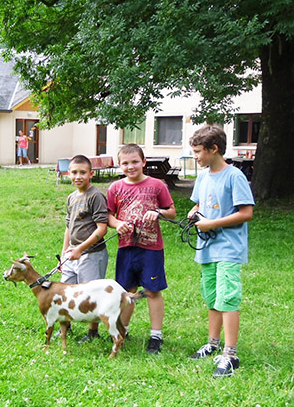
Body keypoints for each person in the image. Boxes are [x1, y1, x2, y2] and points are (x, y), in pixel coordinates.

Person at [187, 125, 254, 378]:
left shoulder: (234, 176)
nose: (196, 156)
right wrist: (194, 212)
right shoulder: (203, 176)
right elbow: (199, 202)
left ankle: (230, 354)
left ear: (214, 149)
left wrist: (212, 223)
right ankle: (212, 344)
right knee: (212, 297)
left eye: (198, 152)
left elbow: (246, 213)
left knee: (228, 299)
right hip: (207, 248)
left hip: (228, 248)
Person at [107, 144, 176, 354]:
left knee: (153, 291)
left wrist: (158, 213)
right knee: (127, 292)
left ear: (143, 162)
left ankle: (156, 336)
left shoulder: (157, 185)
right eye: (125, 163)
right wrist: (118, 224)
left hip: (151, 248)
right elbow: (108, 216)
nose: (131, 166)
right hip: (126, 247)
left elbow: (172, 211)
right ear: (120, 165)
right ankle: (122, 331)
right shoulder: (115, 188)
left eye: (135, 162)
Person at [60, 154, 109, 343]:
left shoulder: (95, 196)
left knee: (90, 294)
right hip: (72, 255)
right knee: (66, 291)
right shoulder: (71, 197)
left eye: (82, 172)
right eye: (74, 172)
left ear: (91, 174)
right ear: (68, 174)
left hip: (91, 255)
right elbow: (68, 227)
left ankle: (92, 331)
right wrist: (65, 251)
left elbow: (102, 229)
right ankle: (66, 327)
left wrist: (80, 249)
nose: (78, 176)